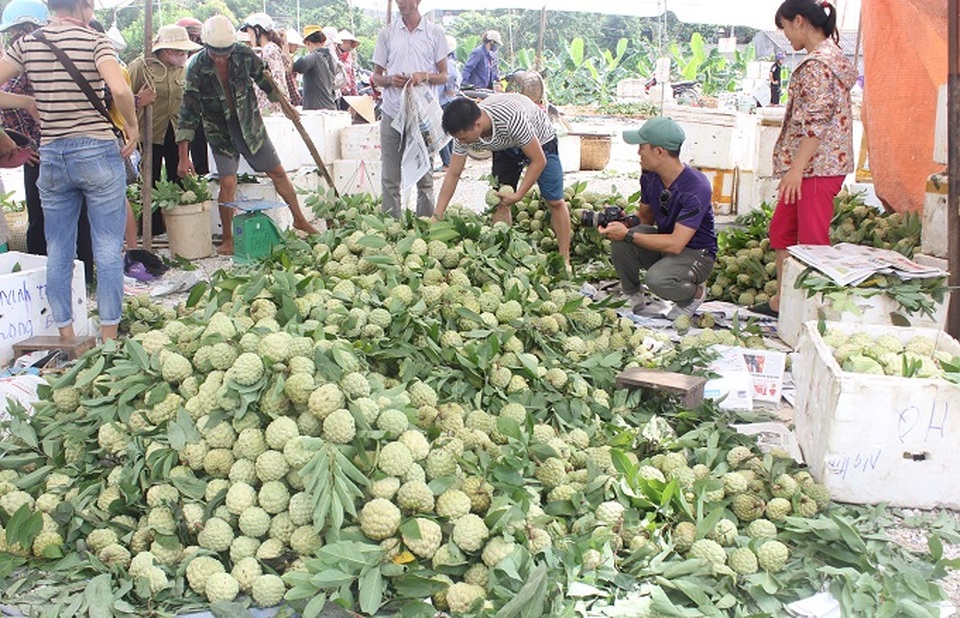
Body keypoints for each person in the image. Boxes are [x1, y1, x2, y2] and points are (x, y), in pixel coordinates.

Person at [0, 0, 138, 342]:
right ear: (84, 6)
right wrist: (133, 129)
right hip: (97, 150)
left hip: (53, 154)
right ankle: (108, 336)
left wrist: (28, 102)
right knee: (107, 247)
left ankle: (65, 334)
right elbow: (120, 89)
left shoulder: (28, 43)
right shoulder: (94, 40)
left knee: (58, 247)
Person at [177, 15, 318, 256]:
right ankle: (228, 238)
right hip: (219, 129)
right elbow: (187, 113)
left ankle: (299, 219)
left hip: (249, 123)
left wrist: (287, 108)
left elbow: (267, 82)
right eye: (215, 53)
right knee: (228, 181)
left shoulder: (243, 55)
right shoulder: (196, 67)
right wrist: (183, 156)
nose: (221, 57)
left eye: (225, 52)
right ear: (206, 46)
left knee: (278, 172)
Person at [753, 0, 856, 317]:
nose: (785, 36)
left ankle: (813, 314)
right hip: (808, 167)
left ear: (798, 21)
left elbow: (816, 125)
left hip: (816, 169)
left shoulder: (818, 66)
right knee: (782, 232)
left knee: (812, 244)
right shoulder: (827, 59)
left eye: (784, 27)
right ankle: (783, 304)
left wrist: (796, 170)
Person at [0, 0, 94, 276]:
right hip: (54, 149)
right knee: (57, 217)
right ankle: (66, 273)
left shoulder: (25, 58)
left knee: (58, 217)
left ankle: (66, 274)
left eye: (20, 31)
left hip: (50, 149)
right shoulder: (45, 56)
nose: (17, 37)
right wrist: (23, 142)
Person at [598, 117, 717, 318]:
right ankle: (632, 294)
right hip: (666, 244)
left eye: (642, 147)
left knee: (657, 279)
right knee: (621, 241)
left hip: (696, 252)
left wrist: (627, 234)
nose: (638, 152)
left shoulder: (696, 187)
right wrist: (624, 222)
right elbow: (645, 218)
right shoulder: (650, 175)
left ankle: (694, 294)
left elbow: (676, 244)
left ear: (659, 151)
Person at [435, 94, 572, 267]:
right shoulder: (463, 133)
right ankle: (502, 255)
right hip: (505, 146)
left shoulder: (511, 119)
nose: (461, 142)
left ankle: (564, 258)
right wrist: (437, 215)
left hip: (541, 141)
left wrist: (519, 194)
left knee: (554, 200)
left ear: (477, 125)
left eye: (463, 138)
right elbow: (453, 173)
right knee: (501, 202)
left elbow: (539, 161)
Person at [370, 0, 448, 218]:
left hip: (422, 115)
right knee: (390, 177)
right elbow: (376, 76)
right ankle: (390, 228)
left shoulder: (434, 33)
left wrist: (425, 76)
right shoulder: (387, 34)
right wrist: (388, 80)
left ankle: (425, 224)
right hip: (392, 111)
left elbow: (444, 76)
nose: (401, 2)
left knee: (425, 175)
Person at [128, 25, 201, 236]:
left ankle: (177, 228)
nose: (183, 56)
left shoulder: (184, 71)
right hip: (149, 133)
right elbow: (124, 100)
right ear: (164, 49)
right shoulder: (142, 67)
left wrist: (184, 154)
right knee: (148, 181)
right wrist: (139, 102)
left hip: (175, 134)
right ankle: (150, 229)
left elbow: (186, 109)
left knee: (177, 179)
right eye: (178, 52)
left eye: (184, 52)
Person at [175, 16, 209, 175]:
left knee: (200, 157)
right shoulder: (183, 60)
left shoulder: (199, 60)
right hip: (185, 116)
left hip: (198, 114)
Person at [240, 12, 287, 116]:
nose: (249, 37)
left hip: (272, 112)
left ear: (257, 30)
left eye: (250, 33)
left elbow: (276, 82)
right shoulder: (269, 49)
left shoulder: (269, 50)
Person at [293, 25, 338, 111]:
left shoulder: (314, 57)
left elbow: (298, 66)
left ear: (308, 43)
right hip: (330, 107)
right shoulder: (331, 59)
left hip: (316, 111)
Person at [437, 34, 460, 171]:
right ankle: (450, 162)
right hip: (447, 100)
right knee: (448, 133)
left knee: (440, 133)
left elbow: (451, 77)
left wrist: (449, 88)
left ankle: (447, 163)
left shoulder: (446, 63)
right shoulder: (450, 62)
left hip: (444, 100)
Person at [280, 28, 303, 107]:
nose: (297, 47)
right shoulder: (284, 59)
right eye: (295, 45)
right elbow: (290, 80)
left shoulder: (289, 58)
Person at [336, 29, 361, 102]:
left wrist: (355, 95)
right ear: (341, 42)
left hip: (347, 92)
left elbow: (352, 76)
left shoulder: (349, 56)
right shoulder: (334, 55)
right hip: (337, 93)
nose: (351, 46)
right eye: (349, 43)